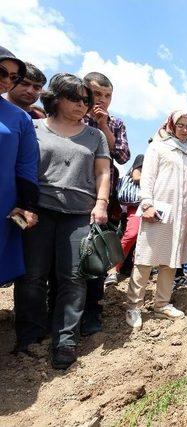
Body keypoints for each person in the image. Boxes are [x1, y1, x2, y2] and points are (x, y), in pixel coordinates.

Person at [14, 73, 110, 369]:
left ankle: (65, 340)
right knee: (32, 277)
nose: (83, 105)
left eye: (86, 100)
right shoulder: (33, 128)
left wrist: (101, 204)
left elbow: (103, 173)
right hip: (38, 212)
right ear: (56, 98)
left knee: (73, 277)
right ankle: (30, 336)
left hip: (79, 214)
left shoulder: (95, 136)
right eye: (76, 98)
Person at [125, 111, 187, 329]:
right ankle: (134, 306)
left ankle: (161, 304)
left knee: (172, 259)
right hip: (158, 211)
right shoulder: (158, 147)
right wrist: (146, 204)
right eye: (181, 125)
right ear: (171, 125)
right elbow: (147, 178)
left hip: (180, 215)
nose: (185, 130)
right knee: (145, 258)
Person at [81, 72, 130, 336]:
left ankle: (92, 311)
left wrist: (104, 125)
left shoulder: (116, 123)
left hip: (103, 199)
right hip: (72, 195)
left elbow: (121, 155)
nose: (102, 100)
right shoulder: (71, 115)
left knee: (97, 256)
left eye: (107, 95)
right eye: (97, 94)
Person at [0, 47, 39, 287]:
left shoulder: (19, 118)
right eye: (2, 72)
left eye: (13, 77)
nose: (7, 81)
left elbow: (26, 166)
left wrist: (26, 204)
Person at [105, 153, 145, 285]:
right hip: (138, 204)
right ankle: (113, 270)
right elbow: (136, 176)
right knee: (131, 234)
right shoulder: (143, 157)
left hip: (159, 205)